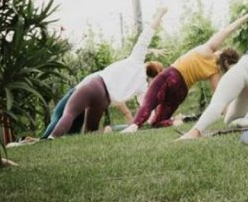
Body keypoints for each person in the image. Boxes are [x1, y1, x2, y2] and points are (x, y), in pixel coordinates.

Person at [121, 10, 248, 133]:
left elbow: (227, 31)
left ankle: (134, 126)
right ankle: (176, 122)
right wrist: (229, 116)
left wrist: (245, 18)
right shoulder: (215, 74)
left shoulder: (208, 50)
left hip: (171, 75)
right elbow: (220, 99)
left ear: (222, 52)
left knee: (149, 101)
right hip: (181, 91)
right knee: (157, 121)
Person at [49, 7, 167, 138]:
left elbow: (147, 34)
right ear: (154, 77)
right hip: (104, 101)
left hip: (95, 86)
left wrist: (160, 13)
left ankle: (51, 138)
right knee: (90, 132)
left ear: (149, 63)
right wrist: (158, 119)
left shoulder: (136, 59)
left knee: (70, 113)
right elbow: (146, 108)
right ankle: (85, 138)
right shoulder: (142, 88)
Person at [41, 61, 163, 138]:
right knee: (74, 128)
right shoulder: (139, 83)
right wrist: (154, 119)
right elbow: (144, 105)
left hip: (83, 90)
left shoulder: (129, 69)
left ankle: (46, 139)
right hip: (99, 96)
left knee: (60, 114)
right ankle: (49, 138)